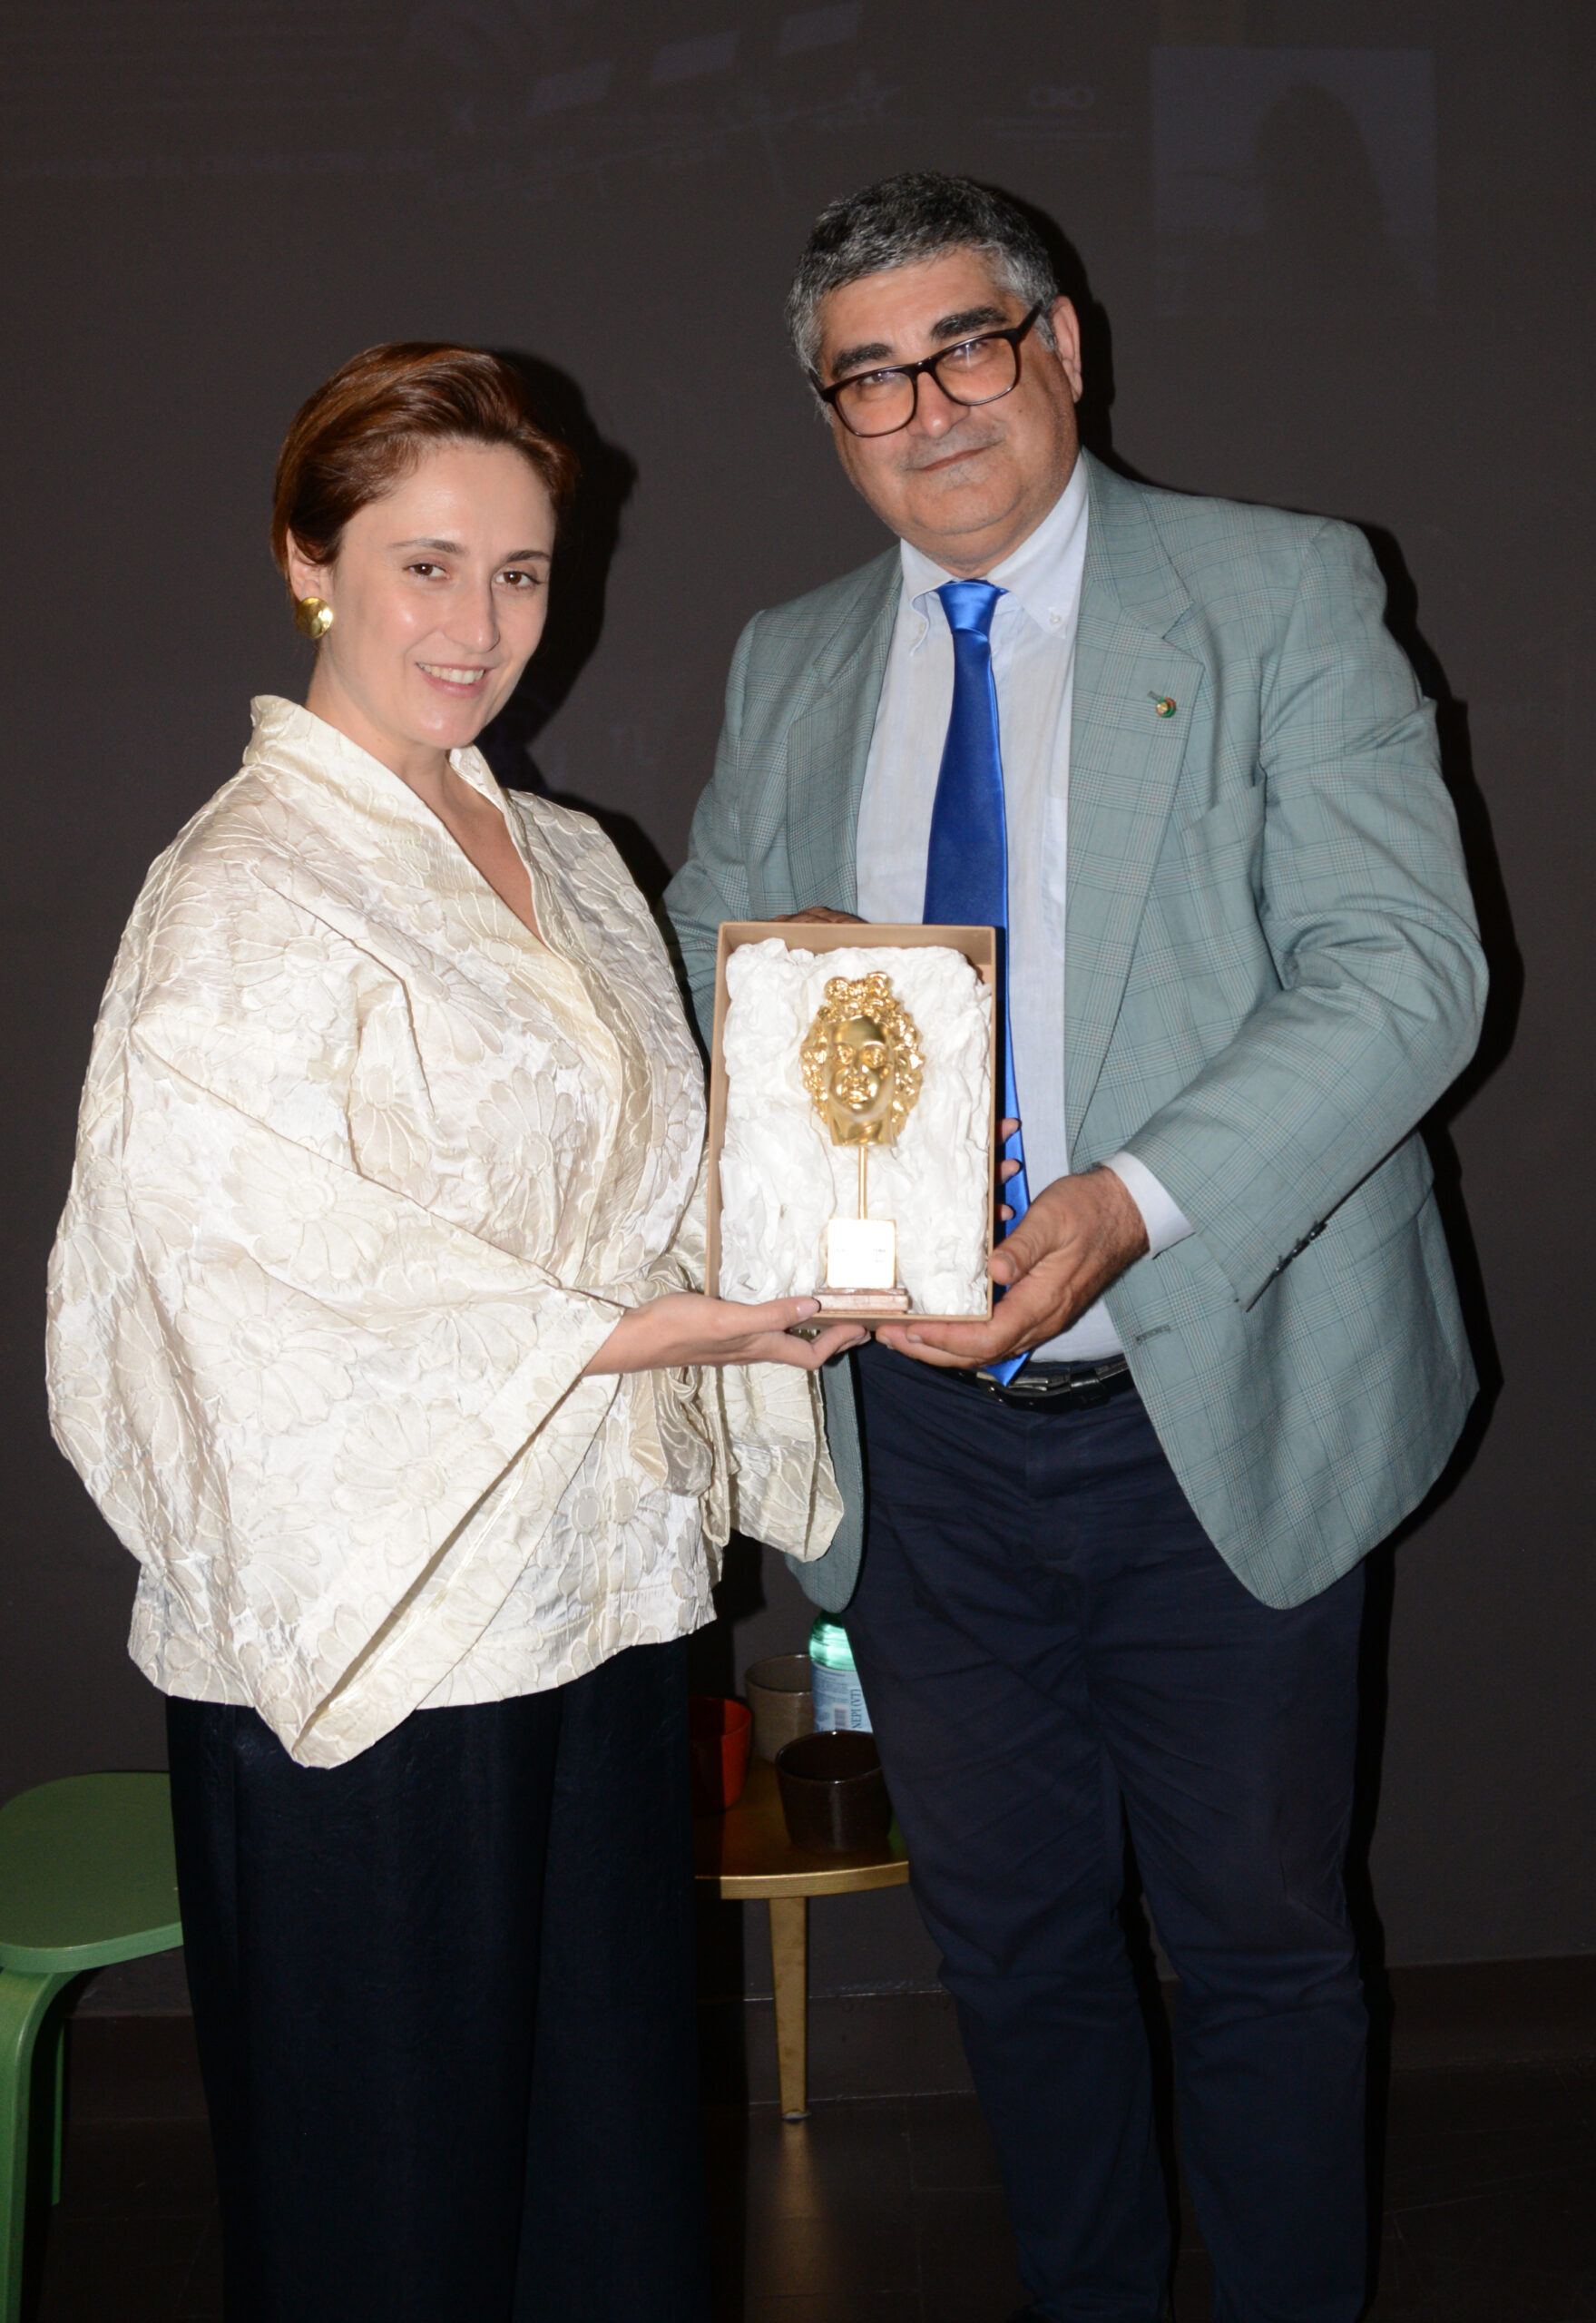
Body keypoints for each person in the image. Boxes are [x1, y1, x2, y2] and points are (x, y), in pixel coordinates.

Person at [665, 174, 1486, 2323]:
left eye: (966, 345)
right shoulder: (789, 659)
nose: (927, 405)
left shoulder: (1279, 591)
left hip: (1215, 1387)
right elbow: (709, 971)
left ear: (1063, 346)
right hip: (918, 1447)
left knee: (1260, 1941)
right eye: (867, 376)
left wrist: (1128, 1201)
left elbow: (1404, 968)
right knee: (1012, 1946)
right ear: (829, 418)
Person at [45, 341, 863, 2323]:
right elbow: (231, 1270)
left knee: (605, 2171)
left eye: (520, 573)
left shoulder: (567, 857)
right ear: (306, 561)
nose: (479, 626)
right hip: (378, 1636)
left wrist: (817, 1236)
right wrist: (638, 1334)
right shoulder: (242, 889)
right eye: (426, 565)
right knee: (389, 2213)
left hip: (597, 1603)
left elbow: (653, 1177)